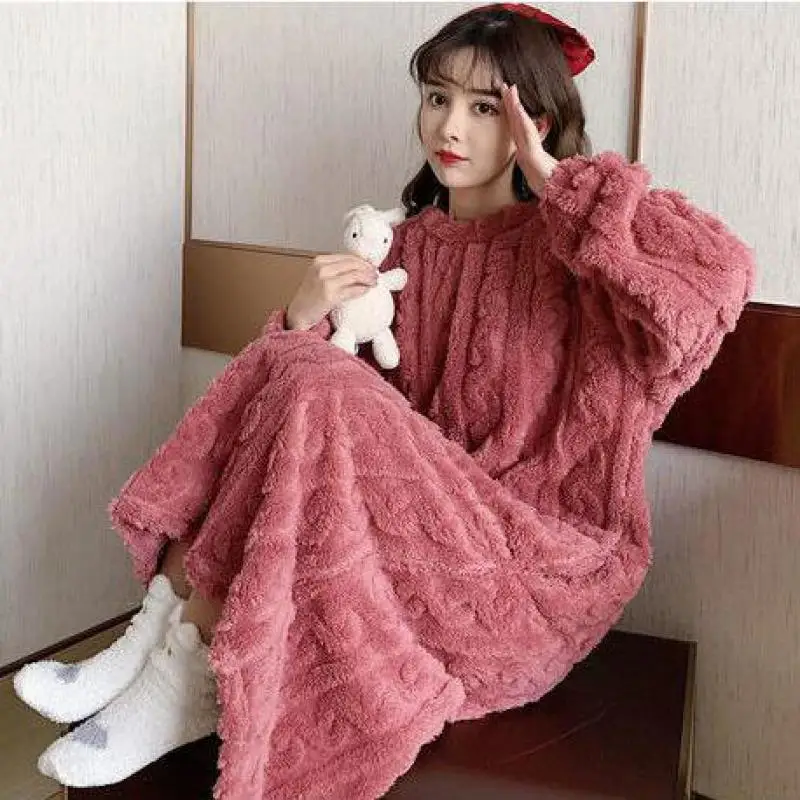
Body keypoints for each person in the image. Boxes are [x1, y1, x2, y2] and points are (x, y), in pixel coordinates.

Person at [14, 4, 756, 797]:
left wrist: (560, 184)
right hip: (411, 560)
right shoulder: (400, 248)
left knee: (313, 377)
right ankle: (161, 637)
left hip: (533, 581)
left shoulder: (580, 261)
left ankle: (177, 668)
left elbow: (720, 278)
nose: (449, 126)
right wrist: (302, 318)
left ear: (533, 122)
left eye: (483, 107)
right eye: (437, 97)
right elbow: (303, 432)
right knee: (300, 368)